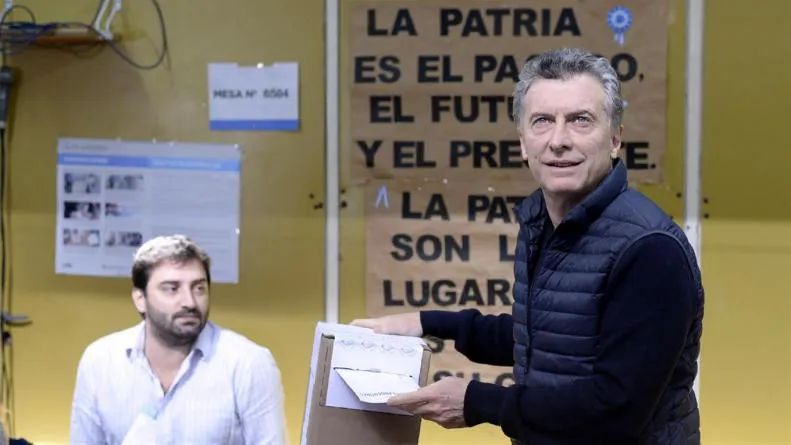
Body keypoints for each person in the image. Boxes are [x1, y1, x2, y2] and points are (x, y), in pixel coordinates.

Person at [352, 48, 704, 445]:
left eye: (580, 120)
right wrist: (426, 323)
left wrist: (476, 402)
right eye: (542, 121)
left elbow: (615, 410)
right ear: (523, 143)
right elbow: (548, 340)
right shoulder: (546, 222)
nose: (558, 141)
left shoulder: (650, 250)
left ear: (615, 139)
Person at [70, 235, 287, 445]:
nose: (190, 302)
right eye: (172, 289)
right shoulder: (100, 362)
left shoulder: (248, 364)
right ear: (140, 299)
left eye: (199, 288)